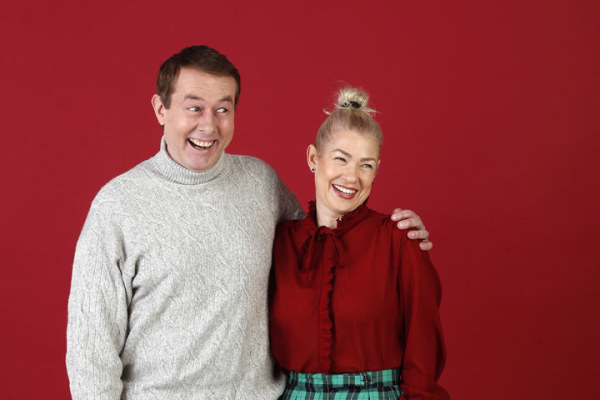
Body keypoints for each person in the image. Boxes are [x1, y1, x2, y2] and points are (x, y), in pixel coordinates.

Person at [66, 46, 433, 399]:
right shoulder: (118, 207)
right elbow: (90, 353)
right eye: (194, 108)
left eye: (222, 109)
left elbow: (327, 237)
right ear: (161, 109)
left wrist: (398, 235)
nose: (208, 125)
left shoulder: (260, 184)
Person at [270, 88, 449, 399]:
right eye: (341, 159)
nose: (352, 177)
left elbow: (424, 346)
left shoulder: (398, 239)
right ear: (314, 158)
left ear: (376, 170)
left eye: (366, 165)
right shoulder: (281, 242)